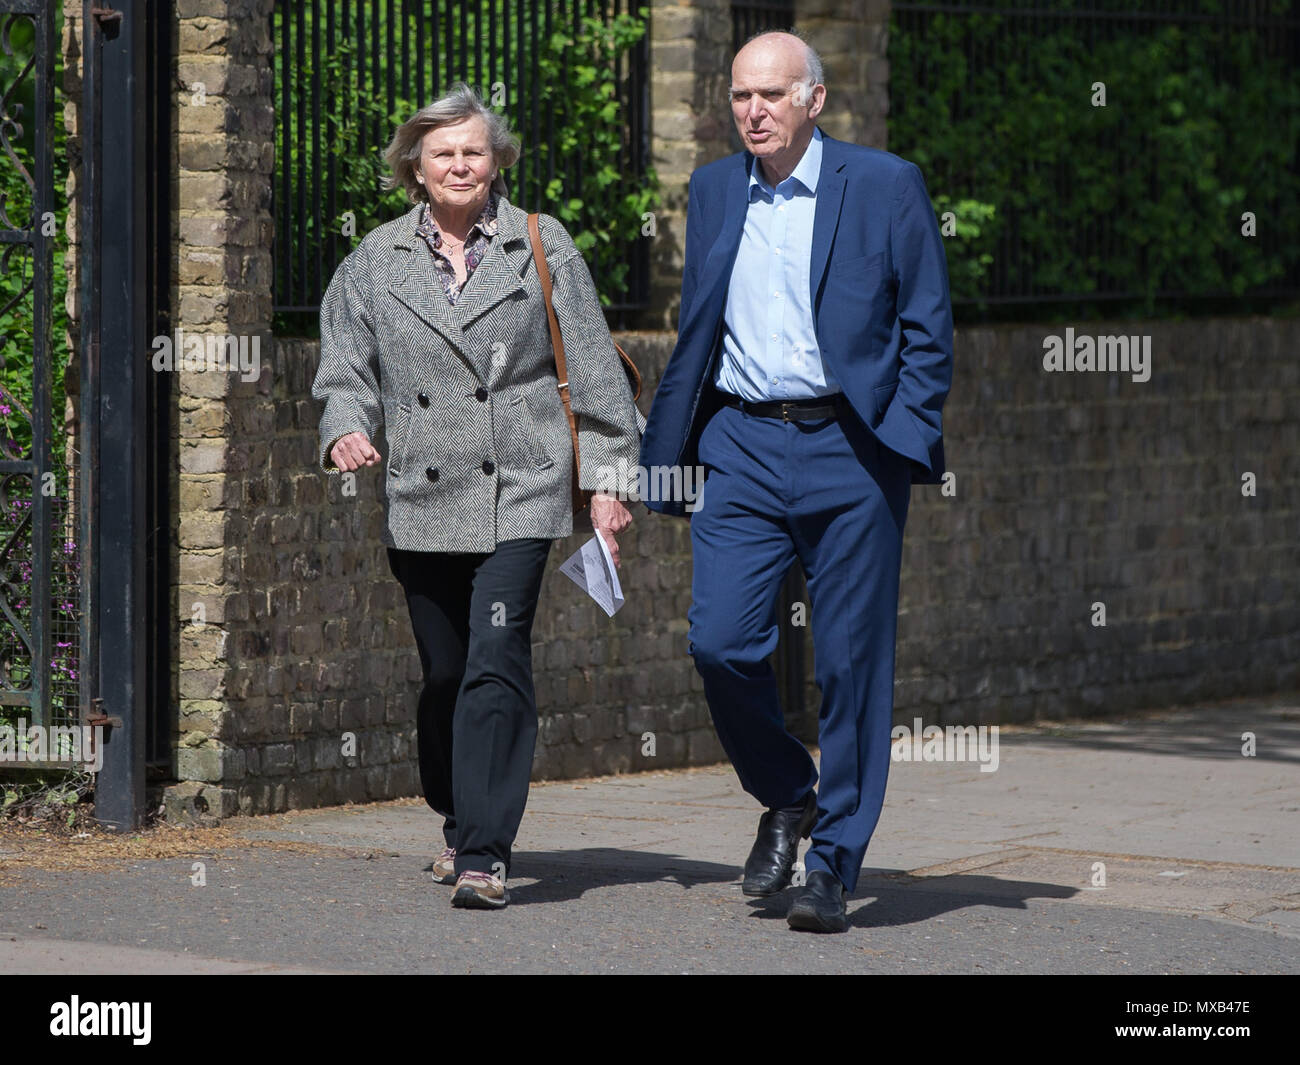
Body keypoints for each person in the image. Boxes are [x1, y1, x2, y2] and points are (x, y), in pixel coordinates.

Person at [639, 32, 954, 932]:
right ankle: (787, 791)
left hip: (849, 448)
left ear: (816, 100)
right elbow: (698, 326)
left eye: (772, 95)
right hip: (739, 440)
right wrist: (665, 451)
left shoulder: (886, 185)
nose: (754, 111)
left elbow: (928, 324)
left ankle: (834, 864)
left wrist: (903, 433)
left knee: (852, 666)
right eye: (741, 96)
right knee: (720, 644)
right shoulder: (712, 189)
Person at [312, 84, 641, 910]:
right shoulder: (373, 261)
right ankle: (458, 813)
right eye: (443, 153)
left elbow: (596, 369)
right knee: (446, 674)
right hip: (422, 497)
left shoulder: (542, 244)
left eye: (475, 151)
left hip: (520, 490)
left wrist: (607, 481)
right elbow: (345, 369)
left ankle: (485, 853)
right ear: (415, 170)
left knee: (497, 660)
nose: (460, 165)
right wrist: (344, 429)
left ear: (496, 163)